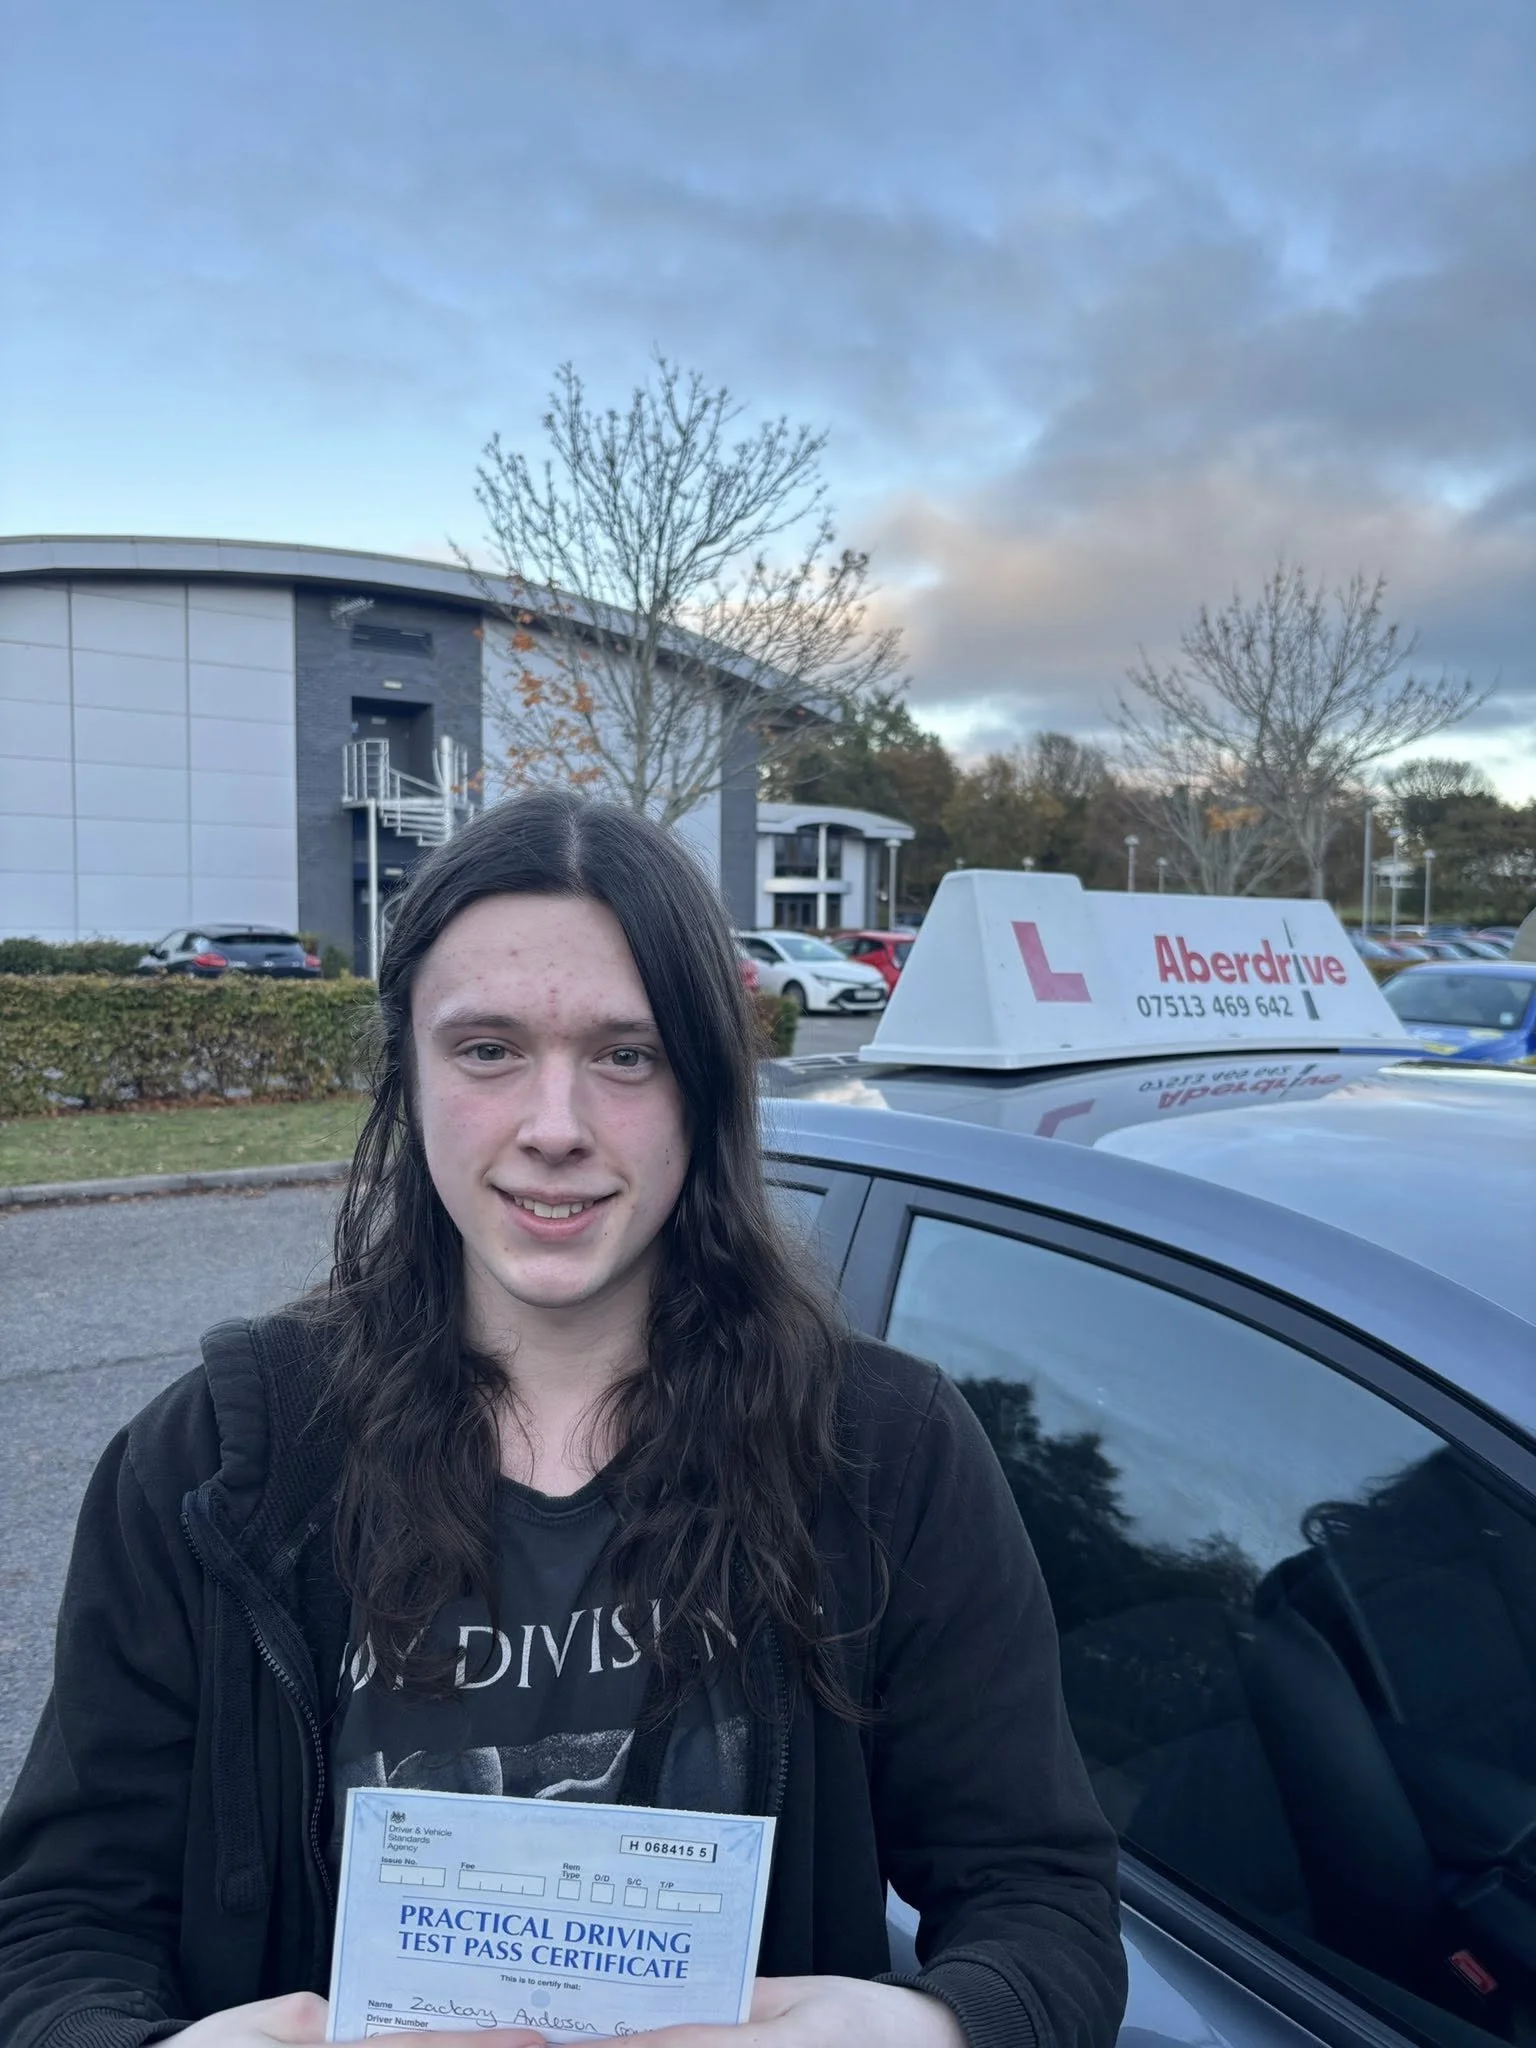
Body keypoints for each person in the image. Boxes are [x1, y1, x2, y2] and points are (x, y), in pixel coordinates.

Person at [0, 791, 1127, 2048]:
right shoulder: (215, 1464)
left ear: (706, 1085)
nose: (554, 1128)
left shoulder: (881, 1449)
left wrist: (931, 2030)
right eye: (486, 1049)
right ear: (409, 1074)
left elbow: (1046, 1904)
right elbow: (58, 1925)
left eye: (625, 1054)